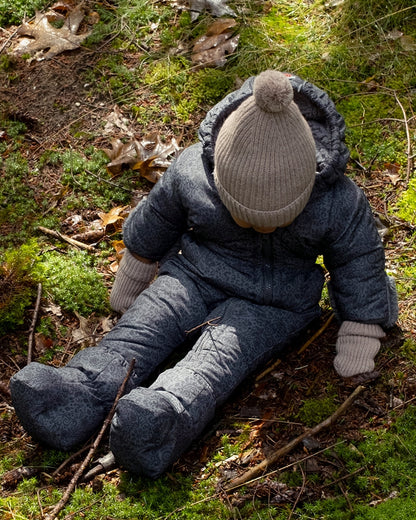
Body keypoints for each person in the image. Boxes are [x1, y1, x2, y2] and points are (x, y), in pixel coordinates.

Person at [10, 71, 398, 478]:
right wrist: (135, 273)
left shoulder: (337, 202)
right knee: (143, 327)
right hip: (192, 275)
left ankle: (163, 418)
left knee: (216, 359)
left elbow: (360, 263)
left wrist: (362, 329)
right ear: (219, 177)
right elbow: (156, 220)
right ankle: (78, 391)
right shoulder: (192, 171)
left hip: (272, 303)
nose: (261, 226)